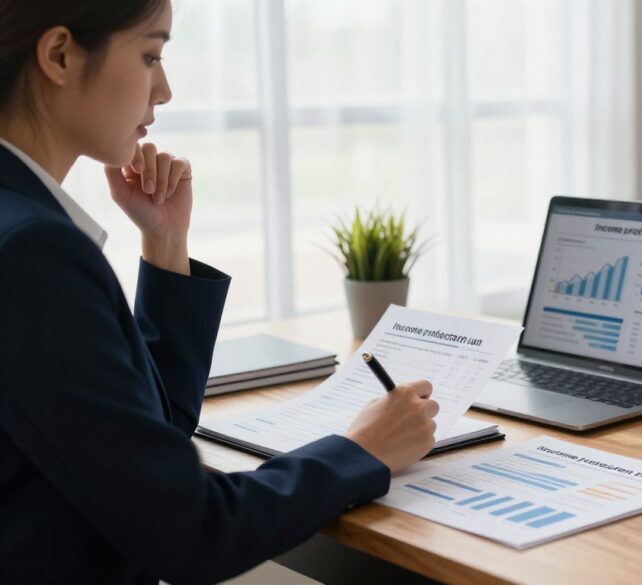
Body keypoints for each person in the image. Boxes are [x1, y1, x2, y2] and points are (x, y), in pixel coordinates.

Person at [0, 1, 440, 583]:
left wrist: (165, 242)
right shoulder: (33, 253)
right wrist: (362, 448)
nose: (165, 90)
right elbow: (191, 532)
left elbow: (148, 443)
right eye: (150, 55)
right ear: (59, 55)